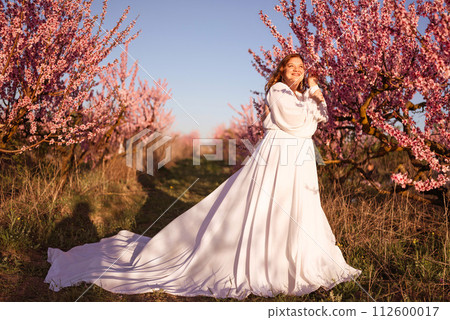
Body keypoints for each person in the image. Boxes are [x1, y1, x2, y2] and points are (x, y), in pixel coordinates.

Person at [45, 53, 362, 300]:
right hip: (279, 157)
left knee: (297, 208)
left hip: (297, 159)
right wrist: (314, 100)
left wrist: (314, 96)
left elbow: (318, 117)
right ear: (281, 71)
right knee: (270, 207)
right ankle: (267, 258)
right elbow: (302, 123)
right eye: (291, 66)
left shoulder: (301, 96)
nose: (297, 69)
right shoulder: (279, 92)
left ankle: (292, 256)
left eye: (300, 66)